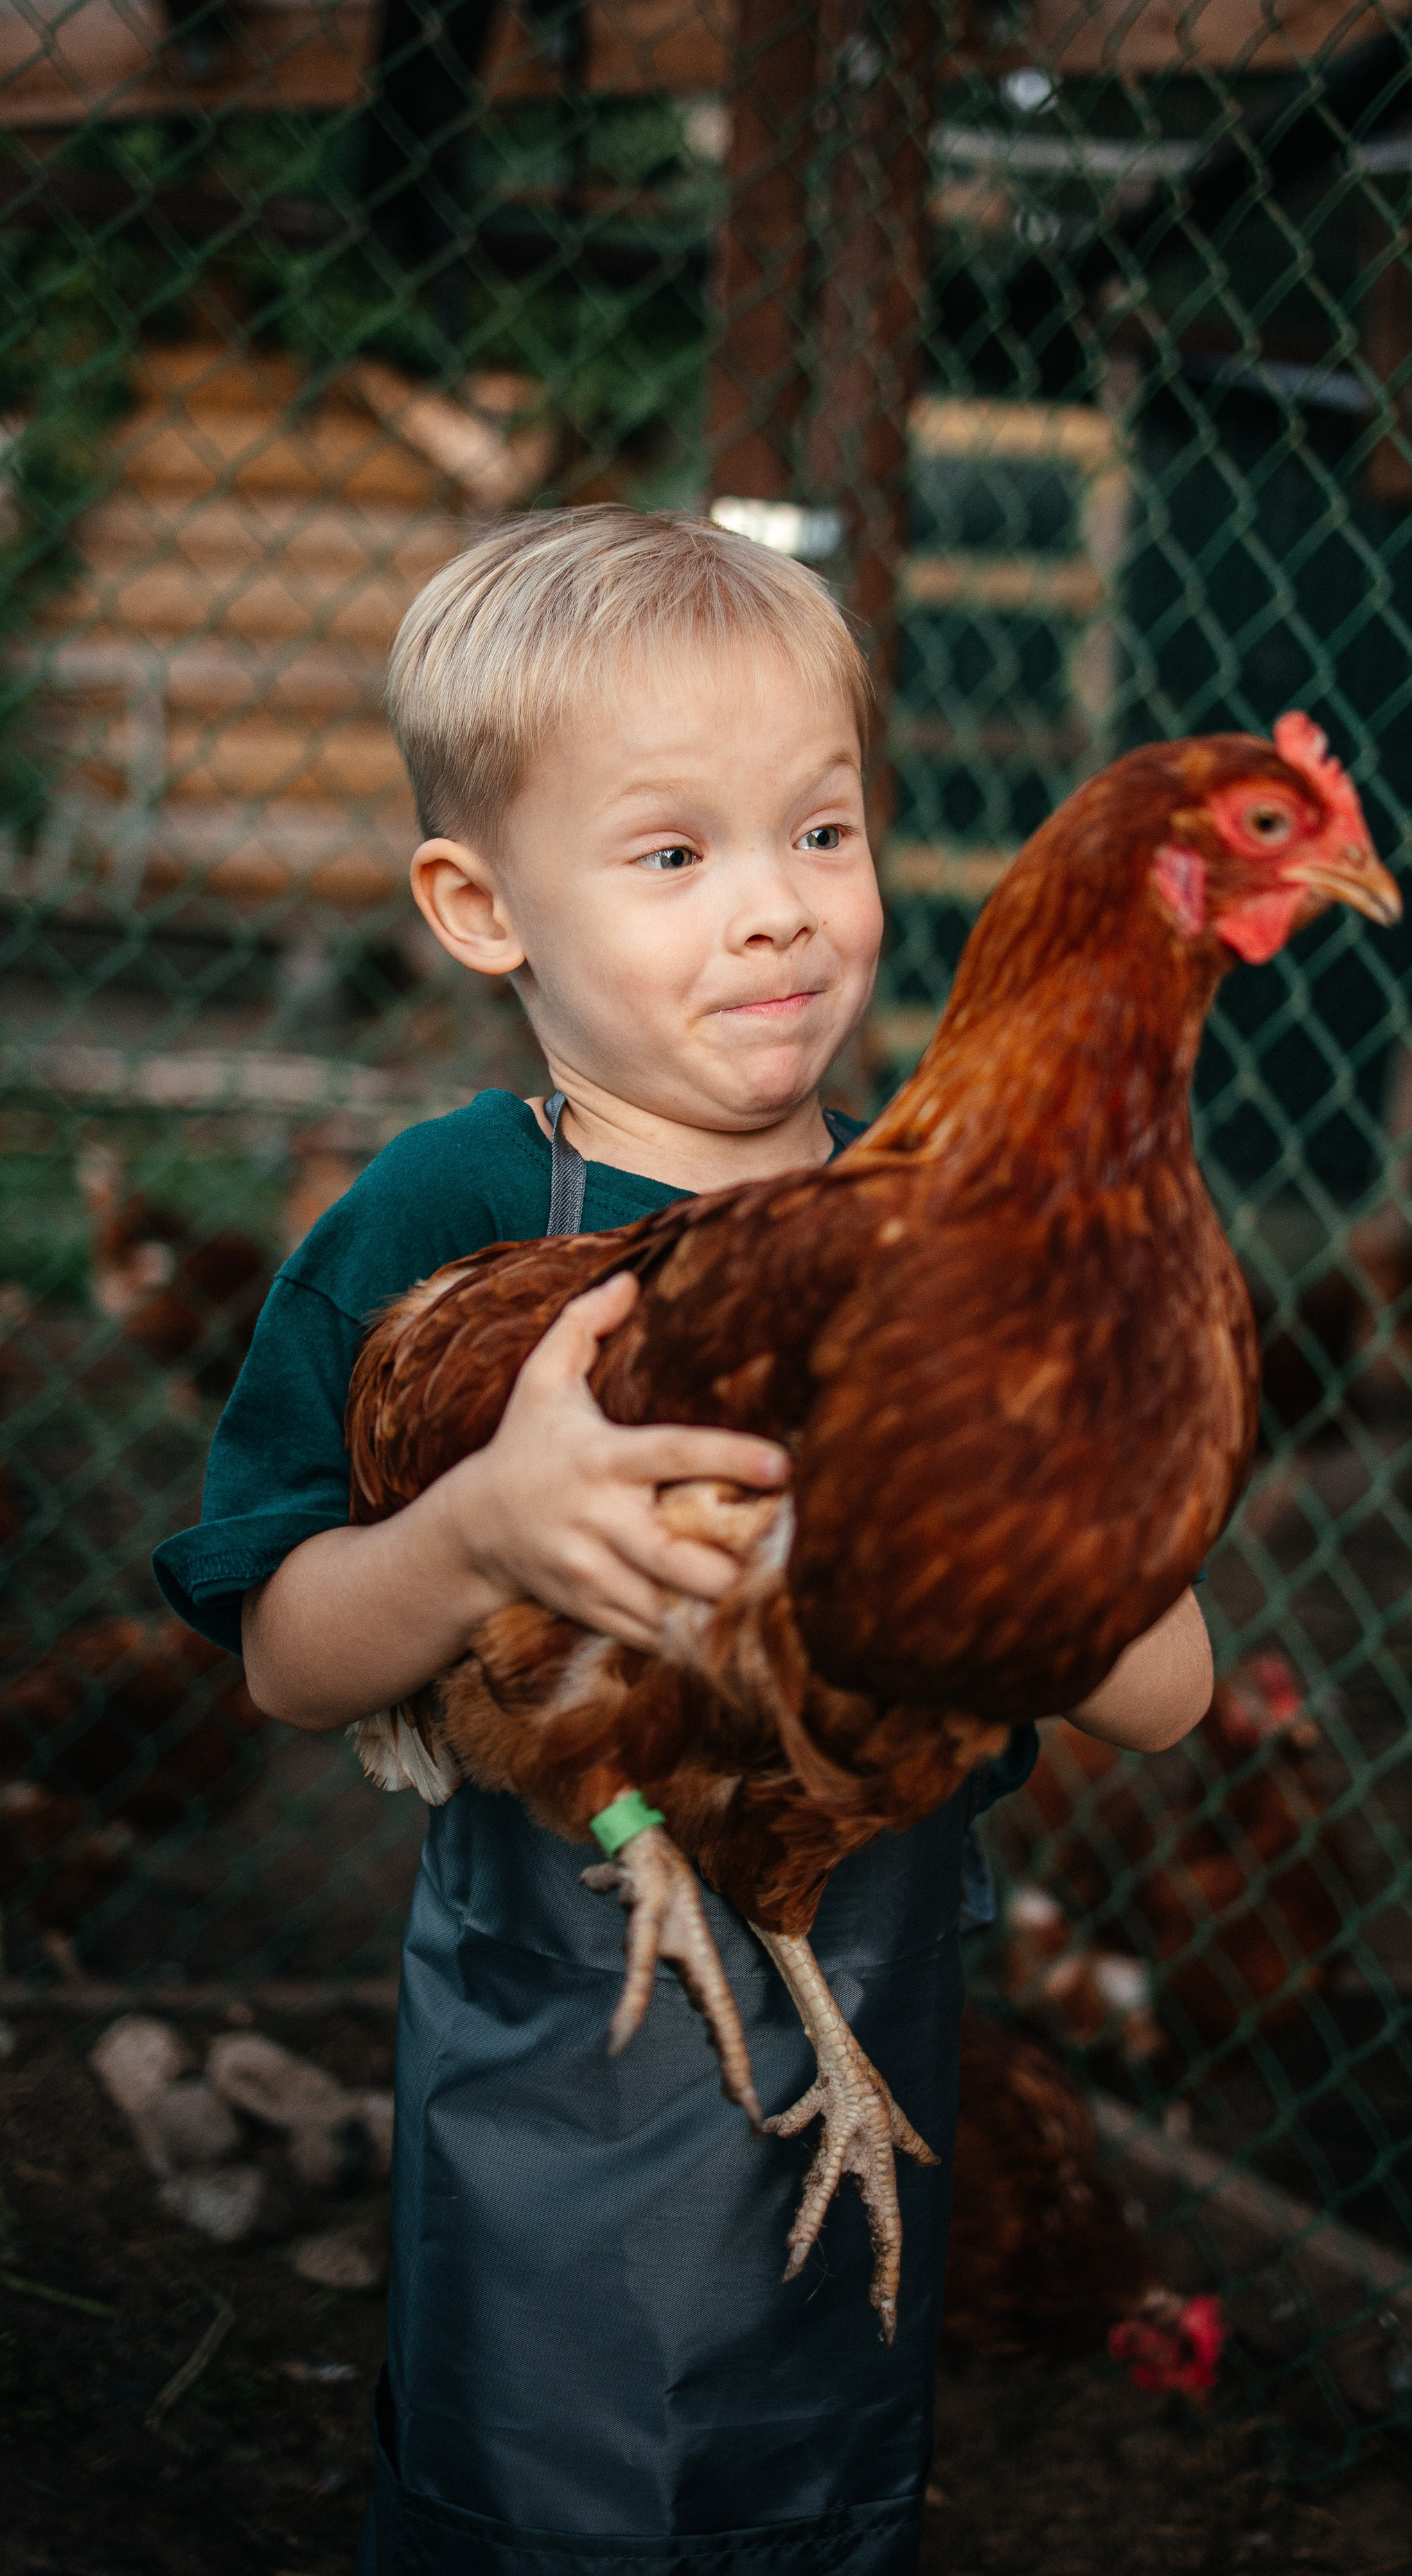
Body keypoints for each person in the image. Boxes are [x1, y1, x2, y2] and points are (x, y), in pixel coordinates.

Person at [155, 507, 1215, 2576]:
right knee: (535, 2500)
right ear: (482, 905)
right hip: (556, 2038)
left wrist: (980, 1495)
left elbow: (1166, 1694)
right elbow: (288, 1656)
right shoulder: (436, 1219)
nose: (775, 916)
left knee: (818, 2491)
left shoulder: (961, 1219)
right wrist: (484, 1522)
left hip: (878, 1982)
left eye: (822, 834)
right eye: (672, 855)